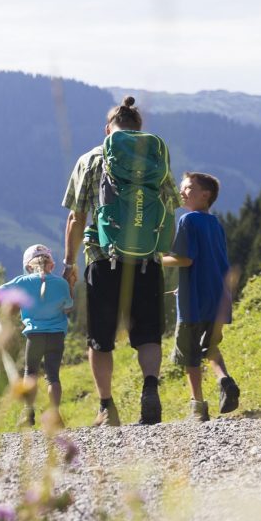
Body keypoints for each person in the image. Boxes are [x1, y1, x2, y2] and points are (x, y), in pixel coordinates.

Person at [61, 96, 180, 426]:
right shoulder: (154, 158)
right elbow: (171, 204)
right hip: (147, 258)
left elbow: (76, 215)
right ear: (139, 129)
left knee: (100, 338)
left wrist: (69, 261)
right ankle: (150, 388)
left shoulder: (91, 159)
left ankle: (106, 407)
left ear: (107, 128)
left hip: (102, 258)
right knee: (148, 334)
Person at [161, 172, 240, 421]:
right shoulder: (215, 223)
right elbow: (211, 262)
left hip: (193, 302)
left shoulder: (188, 220)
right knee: (211, 346)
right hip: (216, 295)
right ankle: (225, 380)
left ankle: (198, 406)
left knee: (190, 354)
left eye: (187, 188)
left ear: (205, 194)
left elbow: (186, 259)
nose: (182, 192)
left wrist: (155, 259)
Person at [0, 244, 73, 429]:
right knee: (53, 376)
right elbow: (68, 306)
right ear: (51, 265)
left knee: (31, 372)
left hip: (34, 336)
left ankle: (28, 412)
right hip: (57, 336)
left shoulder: (22, 281)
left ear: (28, 267)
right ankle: (54, 414)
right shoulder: (62, 283)